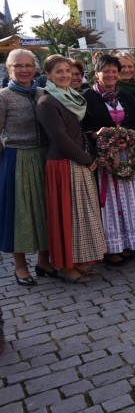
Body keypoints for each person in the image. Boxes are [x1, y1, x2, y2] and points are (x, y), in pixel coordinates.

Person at [37, 55, 107, 283]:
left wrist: (91, 142)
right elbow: (59, 138)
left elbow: (75, 132)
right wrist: (87, 159)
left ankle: (77, 261)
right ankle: (65, 266)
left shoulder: (69, 97)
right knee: (66, 217)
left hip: (76, 161)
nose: (65, 75)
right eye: (59, 71)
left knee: (79, 217)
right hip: (62, 164)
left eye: (67, 71)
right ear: (48, 75)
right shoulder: (47, 102)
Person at [82, 54, 135, 266]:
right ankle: (111, 248)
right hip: (104, 158)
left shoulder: (124, 96)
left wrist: (128, 139)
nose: (112, 75)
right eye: (107, 71)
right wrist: (97, 135)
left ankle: (126, 243)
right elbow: (83, 128)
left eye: (115, 71)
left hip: (126, 154)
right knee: (110, 204)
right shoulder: (88, 97)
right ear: (97, 74)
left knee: (128, 200)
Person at [0, 49, 52, 286]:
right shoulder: (3, 97)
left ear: (35, 68)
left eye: (28, 65)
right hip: (16, 158)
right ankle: (20, 266)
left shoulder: (44, 92)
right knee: (18, 214)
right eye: (18, 66)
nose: (23, 70)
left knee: (45, 210)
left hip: (44, 157)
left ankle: (44, 261)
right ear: (9, 69)